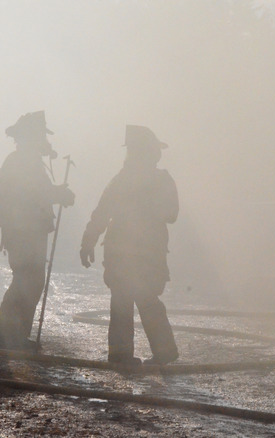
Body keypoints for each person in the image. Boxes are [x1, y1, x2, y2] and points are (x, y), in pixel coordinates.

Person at [80, 125, 179, 365]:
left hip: (132, 253)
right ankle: (134, 354)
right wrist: (88, 242)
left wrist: (88, 242)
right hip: (135, 254)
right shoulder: (139, 180)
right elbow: (102, 213)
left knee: (133, 301)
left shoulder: (127, 181)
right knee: (135, 301)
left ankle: (130, 355)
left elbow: (171, 213)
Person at [0, 111, 75, 350]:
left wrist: (57, 193)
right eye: (40, 135)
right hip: (24, 232)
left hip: (28, 231)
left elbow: (37, 191)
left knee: (29, 281)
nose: (44, 140)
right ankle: (5, 336)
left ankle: (10, 335)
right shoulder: (21, 161)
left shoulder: (26, 161)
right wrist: (59, 194)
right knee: (27, 281)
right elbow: (31, 193)